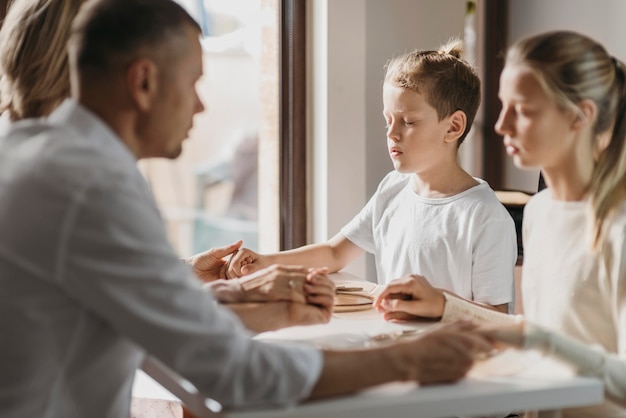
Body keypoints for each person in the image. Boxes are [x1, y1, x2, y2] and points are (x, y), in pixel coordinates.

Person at [0, 1, 493, 417]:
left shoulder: (32, 152)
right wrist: (409, 362)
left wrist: (200, 284)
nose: (200, 107)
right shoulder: (91, 187)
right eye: (193, 82)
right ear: (144, 82)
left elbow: (107, 302)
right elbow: (236, 373)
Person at [0, 0, 335, 335]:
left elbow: (109, 294)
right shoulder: (82, 182)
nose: (200, 106)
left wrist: (185, 275)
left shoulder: (28, 156)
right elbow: (206, 355)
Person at [227, 40, 517, 319]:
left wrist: (441, 304)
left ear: (453, 127)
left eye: (408, 121)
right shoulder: (393, 188)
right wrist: (266, 262)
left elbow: (498, 319)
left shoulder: (485, 217)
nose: (392, 133)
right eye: (388, 120)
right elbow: (334, 252)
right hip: (393, 350)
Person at [476, 30, 626, 417]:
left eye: (523, 110)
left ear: (581, 115)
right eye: (502, 106)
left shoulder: (618, 228)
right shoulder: (539, 212)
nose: (501, 125)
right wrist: (445, 309)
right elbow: (548, 335)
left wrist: (536, 340)